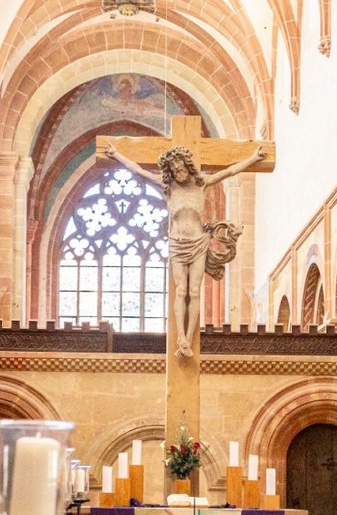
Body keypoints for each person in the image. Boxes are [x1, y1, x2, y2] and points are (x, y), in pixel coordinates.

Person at [104, 142, 266, 356]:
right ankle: (180, 336)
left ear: (188, 166)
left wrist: (254, 157)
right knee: (181, 291)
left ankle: (188, 340)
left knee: (194, 291)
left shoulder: (202, 184)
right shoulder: (168, 188)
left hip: (198, 242)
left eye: (180, 169)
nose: (178, 173)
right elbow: (139, 171)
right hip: (177, 243)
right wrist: (116, 155)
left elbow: (229, 171)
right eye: (174, 170)